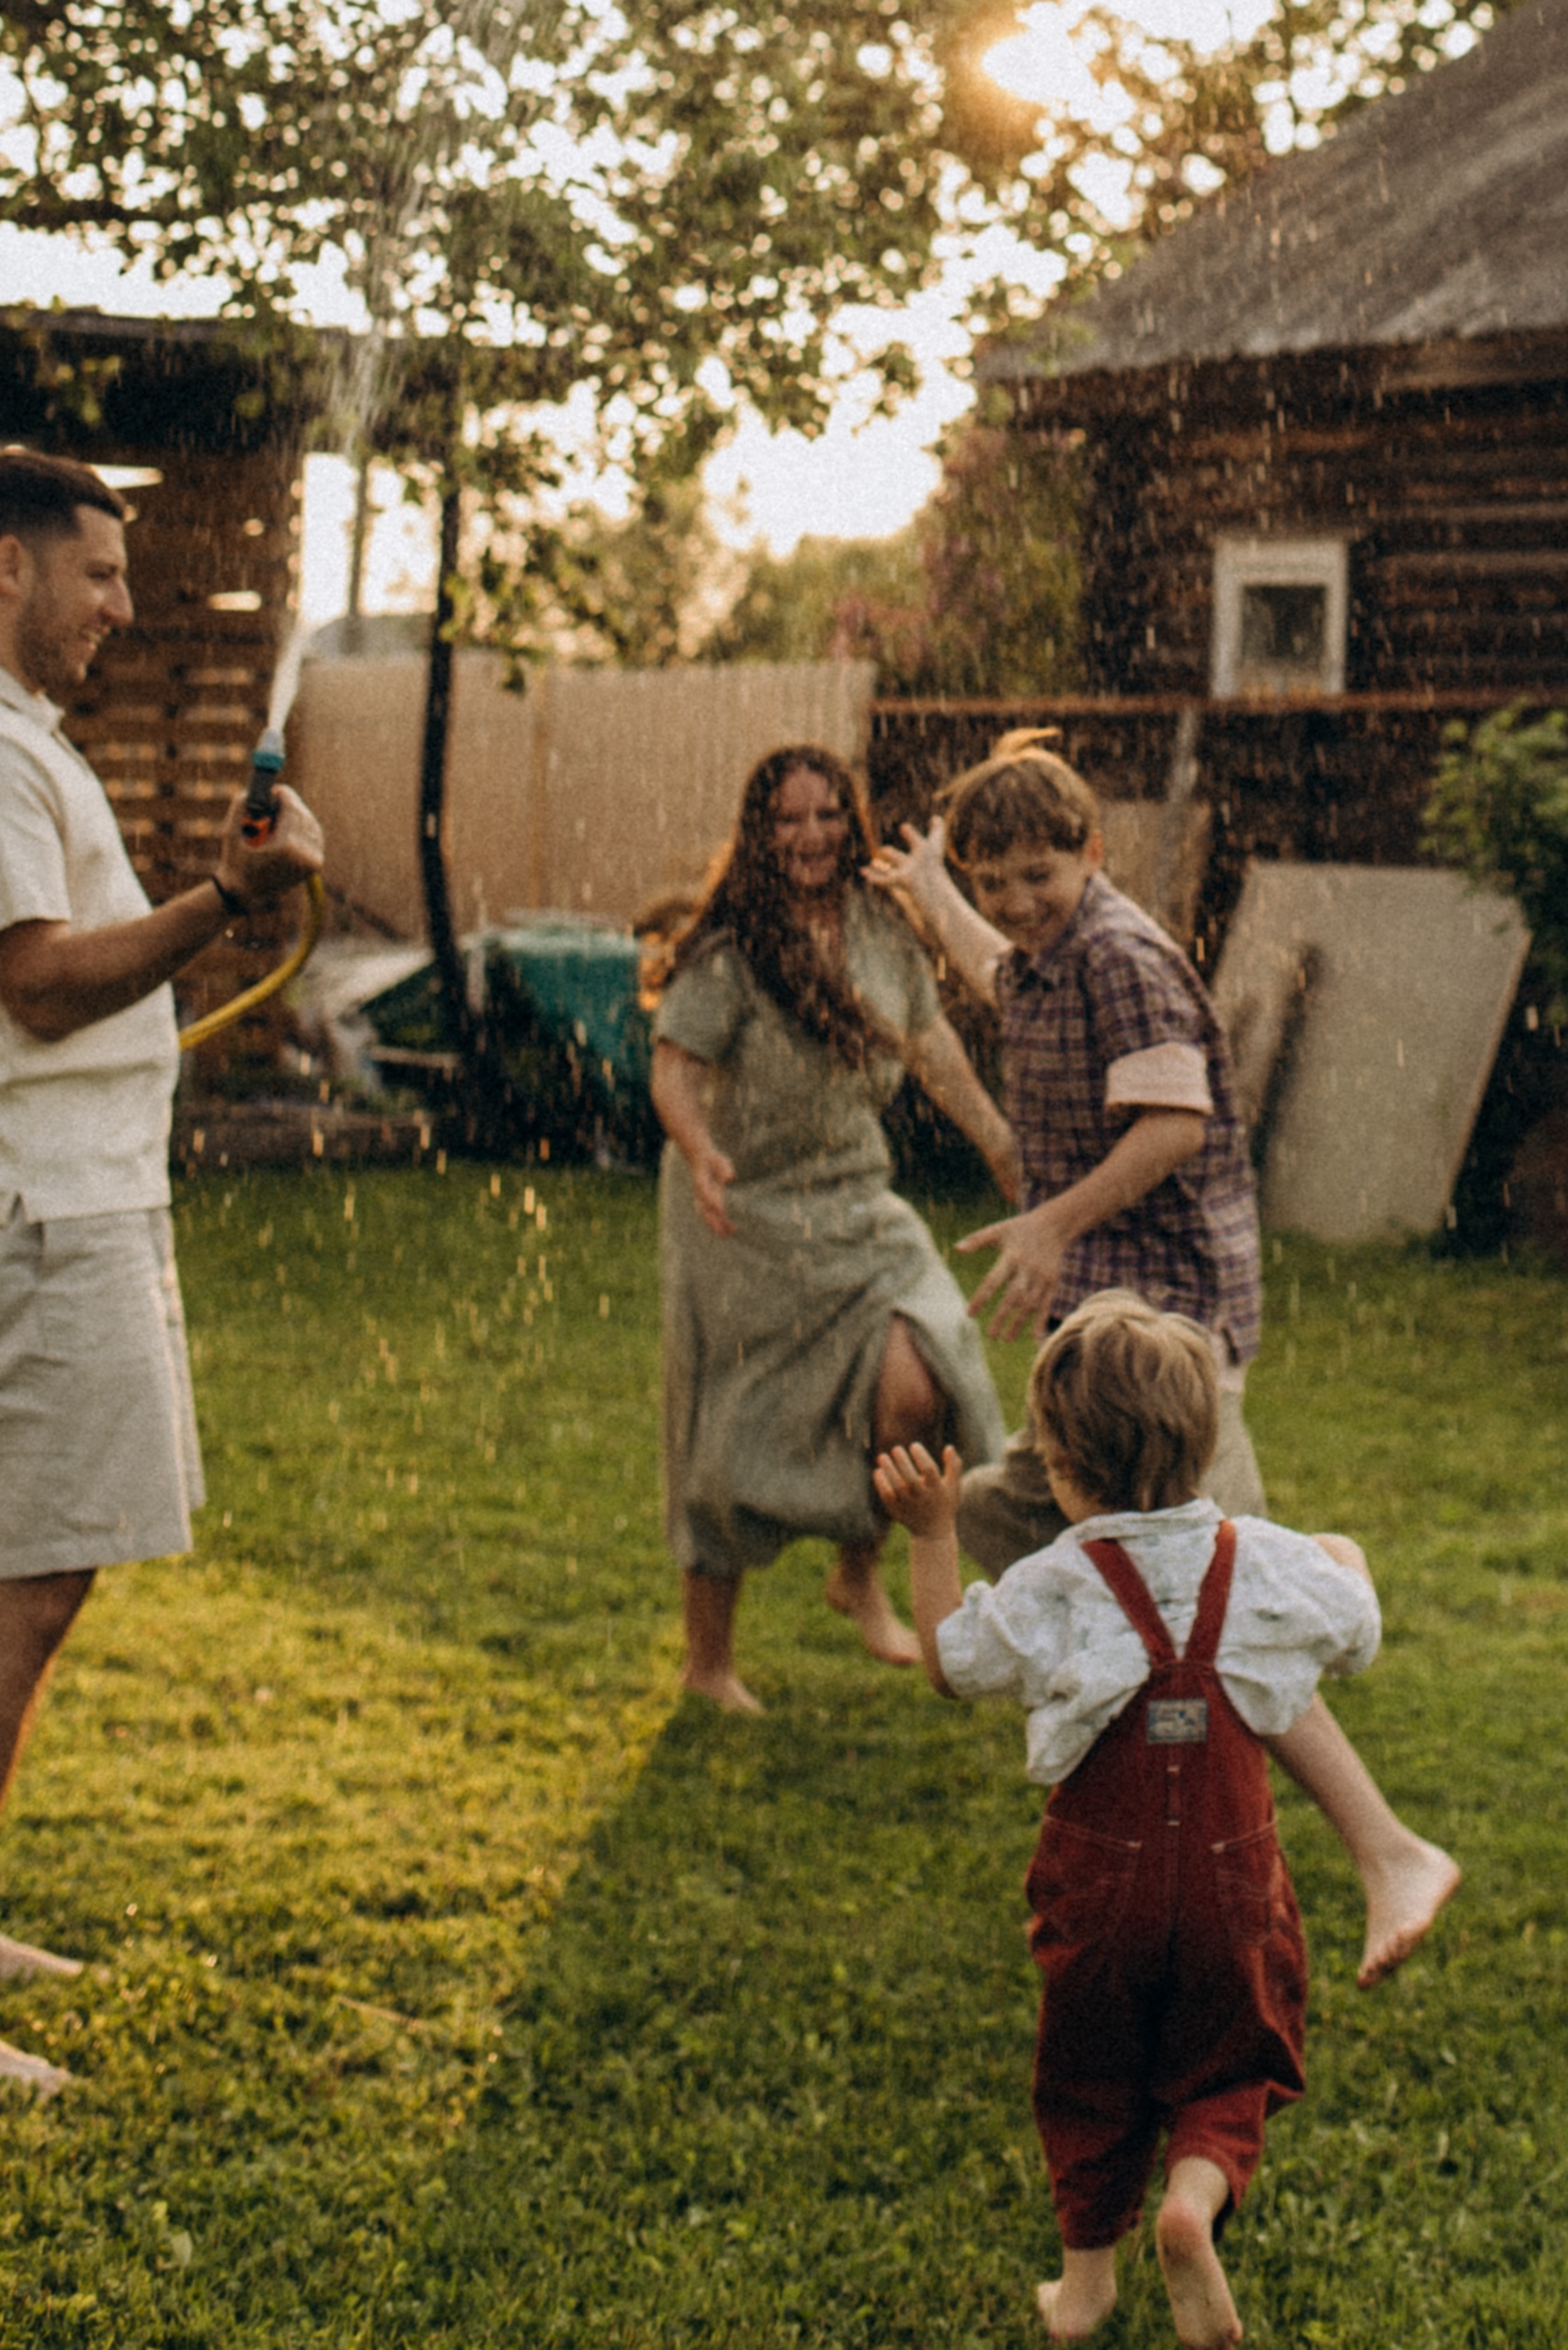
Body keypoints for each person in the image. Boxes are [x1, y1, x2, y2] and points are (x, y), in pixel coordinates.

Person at [868, 730, 1457, 1987]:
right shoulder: (1044, 950)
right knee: (1003, 1516)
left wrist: (1049, 1217)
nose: (1018, 904)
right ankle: (869, 1532)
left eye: (1041, 874)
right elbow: (996, 965)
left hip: (1170, 1332)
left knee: (1221, 1601)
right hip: (1104, 1341)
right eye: (995, 879)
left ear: (1092, 851)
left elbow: (1175, 1124)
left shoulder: (1125, 958)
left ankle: (1389, 1849)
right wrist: (932, 895)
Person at [876, 1292, 1385, 2348]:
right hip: (1228, 1880)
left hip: (1096, 1884)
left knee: (1088, 2067)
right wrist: (1343, 1553)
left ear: (1058, 1466)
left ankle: (1085, 2287)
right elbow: (1357, 1636)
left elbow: (949, 1664)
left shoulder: (1058, 1580)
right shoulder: (1261, 1557)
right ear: (1202, 1447)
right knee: (1231, 2056)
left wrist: (931, 1535)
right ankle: (1192, 2204)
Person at [0, 450, 322, 2021]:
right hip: (43, 1218)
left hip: (75, 1204)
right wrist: (223, 894)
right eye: (101, 575)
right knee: (28, 1587)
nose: (125, 607)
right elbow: (42, 976)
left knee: (32, 1585)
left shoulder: (32, 749)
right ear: (8, 572)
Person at [652, 744, 1013, 1713]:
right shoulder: (730, 953)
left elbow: (930, 1045)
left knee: (917, 1379)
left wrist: (1000, 1144)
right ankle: (709, 1660)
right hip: (743, 1215)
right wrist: (698, 1151)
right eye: (786, 820)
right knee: (722, 1445)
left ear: (846, 824)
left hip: (858, 1201)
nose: (809, 836)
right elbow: (673, 1068)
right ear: (759, 836)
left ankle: (861, 1570)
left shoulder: (881, 930)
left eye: (824, 816)